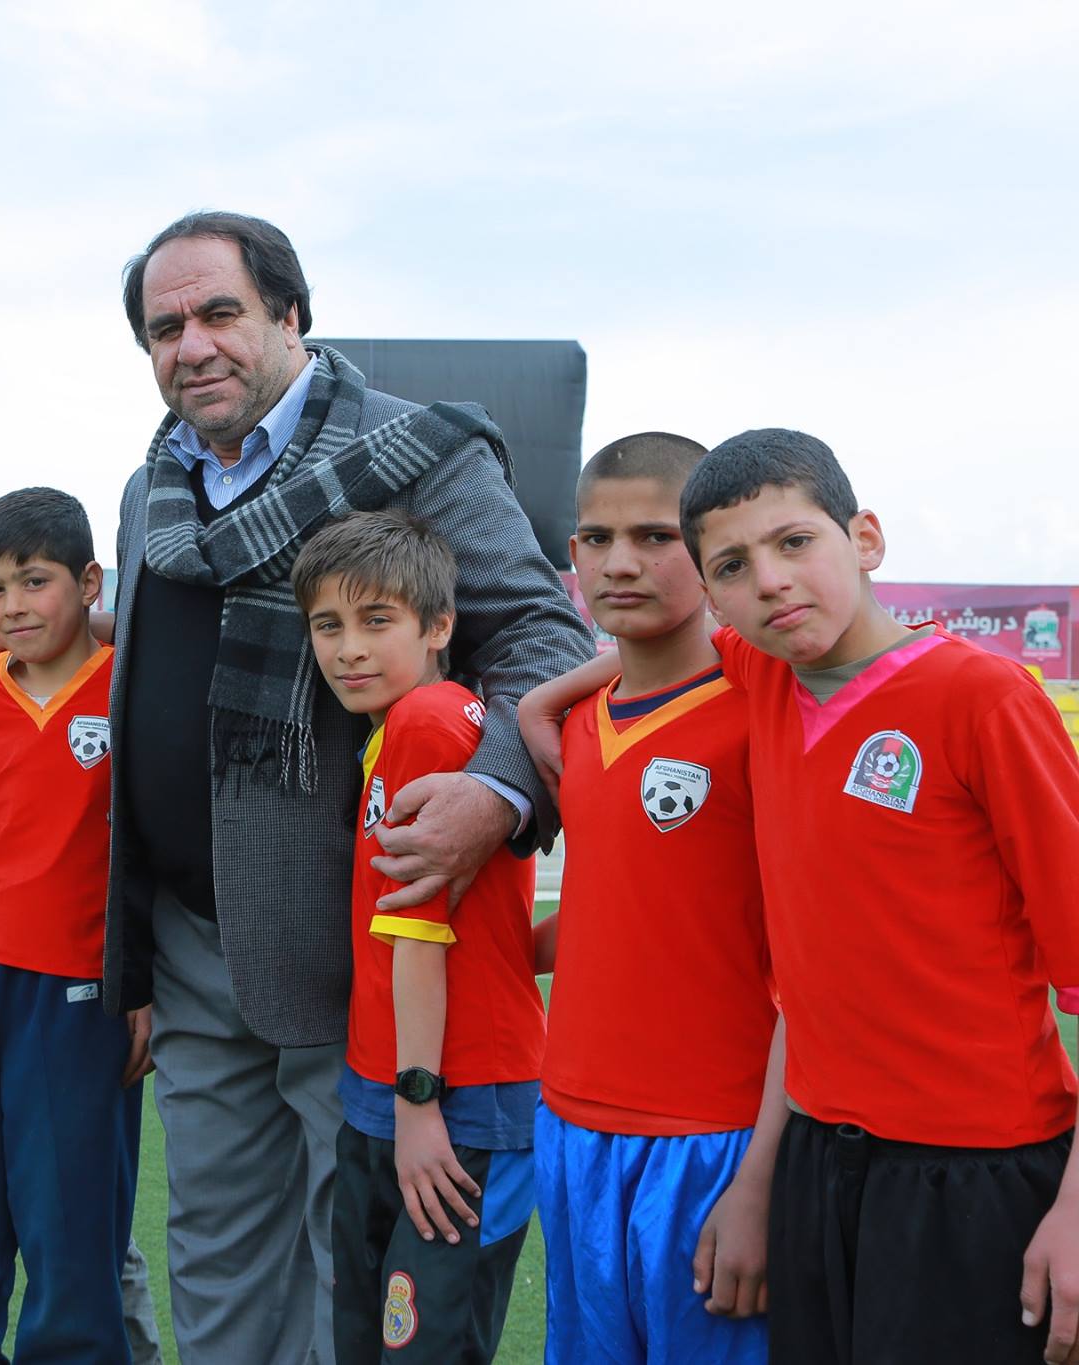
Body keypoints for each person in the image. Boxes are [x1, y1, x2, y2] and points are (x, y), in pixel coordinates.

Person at [101, 209, 592, 1361]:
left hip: (358, 940)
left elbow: (536, 639)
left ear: (288, 315)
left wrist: (493, 795)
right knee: (214, 1247)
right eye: (163, 328)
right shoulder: (151, 488)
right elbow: (131, 685)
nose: (193, 345)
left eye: (219, 313)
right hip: (185, 937)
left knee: (357, 1268)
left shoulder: (418, 452)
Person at [521, 429, 1079, 1364]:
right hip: (821, 1155)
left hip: (975, 1160)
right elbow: (648, 651)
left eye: (794, 543)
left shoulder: (984, 697)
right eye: (732, 565)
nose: (770, 580)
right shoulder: (764, 675)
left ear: (864, 536)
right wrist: (538, 707)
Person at [520, 433, 782, 1365]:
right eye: (595, 537)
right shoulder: (578, 723)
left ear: (710, 549)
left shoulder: (770, 705)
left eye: (654, 536)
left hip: (715, 1134)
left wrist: (760, 1175)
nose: (618, 562)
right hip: (574, 1121)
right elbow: (627, 901)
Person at [0, 539, 166, 1363]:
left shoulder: (134, 676)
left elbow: (158, 845)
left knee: (71, 1234)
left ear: (88, 583)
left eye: (34, 582)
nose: (12, 606)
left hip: (86, 989)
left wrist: (141, 979)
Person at [289, 509, 544, 1363]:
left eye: (376, 620)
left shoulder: (430, 718)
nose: (349, 648)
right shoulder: (394, 726)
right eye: (328, 625)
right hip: (389, 1085)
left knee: (426, 1343)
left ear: (439, 627)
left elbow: (421, 937)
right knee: (372, 1335)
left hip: (450, 1096)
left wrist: (419, 1099)